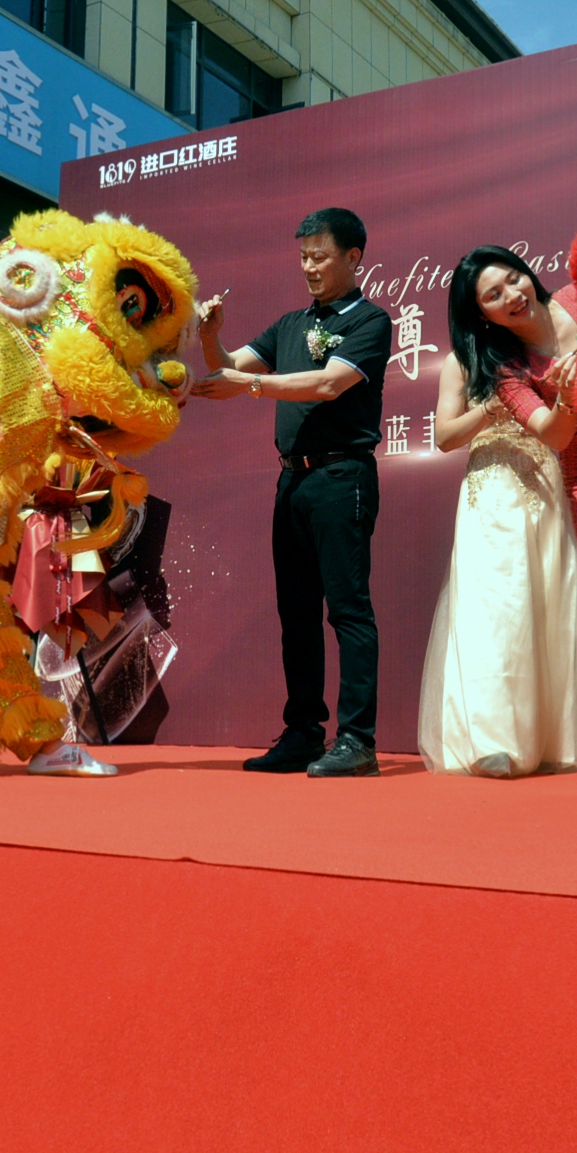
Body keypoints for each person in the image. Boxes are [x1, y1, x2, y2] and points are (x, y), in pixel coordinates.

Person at [193, 207, 392, 777]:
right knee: (296, 613)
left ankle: (357, 740)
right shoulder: (287, 324)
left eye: (320, 256)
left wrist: (246, 382)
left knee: (348, 610)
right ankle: (304, 731)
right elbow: (229, 368)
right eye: (303, 255)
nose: (308, 266)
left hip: (341, 477)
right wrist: (211, 336)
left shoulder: (370, 320)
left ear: (353, 258)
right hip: (292, 480)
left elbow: (329, 382)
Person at [417, 249, 577, 779]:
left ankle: (557, 738)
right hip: (492, 490)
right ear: (479, 313)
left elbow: (557, 426)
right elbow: (443, 436)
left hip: (546, 479)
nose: (510, 297)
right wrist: (489, 411)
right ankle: (494, 740)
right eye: (492, 296)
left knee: (554, 600)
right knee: (498, 608)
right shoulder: (466, 363)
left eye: (511, 282)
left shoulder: (533, 351)